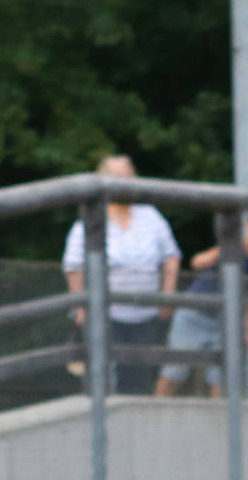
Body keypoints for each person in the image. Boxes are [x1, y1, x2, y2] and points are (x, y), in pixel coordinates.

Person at [61, 155, 183, 395]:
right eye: (117, 178)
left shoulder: (150, 215)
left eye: (128, 177)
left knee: (139, 379)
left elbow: (171, 255)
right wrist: (80, 306)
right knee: (102, 378)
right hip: (105, 316)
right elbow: (73, 265)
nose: (124, 183)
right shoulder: (89, 221)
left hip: (146, 315)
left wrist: (168, 293)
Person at [156, 201, 248, 396]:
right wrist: (224, 252)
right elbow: (196, 262)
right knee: (174, 372)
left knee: (220, 379)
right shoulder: (234, 248)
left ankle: (222, 416)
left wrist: (245, 329)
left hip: (222, 322)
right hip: (193, 315)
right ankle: (155, 410)